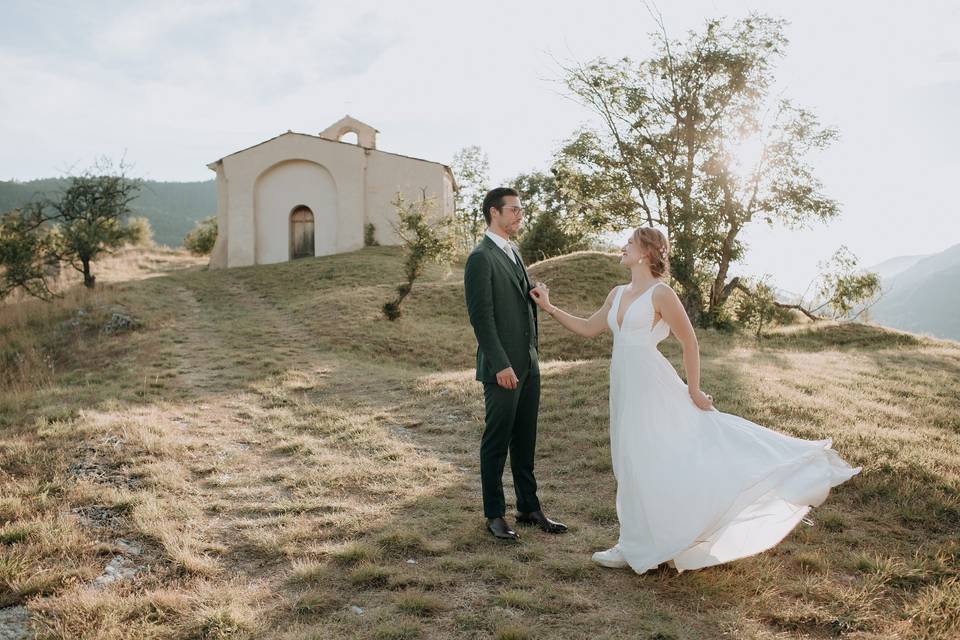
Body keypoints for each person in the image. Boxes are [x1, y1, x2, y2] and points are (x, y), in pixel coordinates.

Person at [528, 227, 860, 573]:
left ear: (645, 253)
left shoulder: (661, 294)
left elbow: (689, 341)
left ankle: (641, 544)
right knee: (629, 460)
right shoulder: (616, 293)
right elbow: (587, 327)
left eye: (629, 243)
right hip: (625, 384)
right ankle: (641, 542)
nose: (622, 247)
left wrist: (694, 389)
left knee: (656, 457)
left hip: (653, 384)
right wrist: (549, 307)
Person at [463, 187, 568, 540]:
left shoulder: (512, 251)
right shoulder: (480, 257)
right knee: (496, 440)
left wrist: (534, 295)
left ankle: (528, 506)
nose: (520, 214)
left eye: (521, 209)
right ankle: (494, 513)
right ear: (495, 212)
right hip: (503, 367)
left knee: (525, 438)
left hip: (529, 363)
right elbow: (482, 318)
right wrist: (500, 364)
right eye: (514, 209)